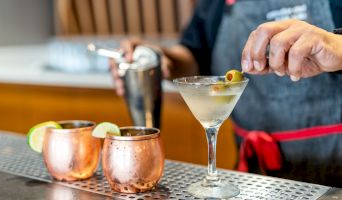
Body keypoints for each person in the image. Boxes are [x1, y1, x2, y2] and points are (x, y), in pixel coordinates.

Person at [110, 0, 342, 186]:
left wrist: (336, 46)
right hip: (253, 179)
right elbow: (193, 54)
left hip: (334, 175)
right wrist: (157, 56)